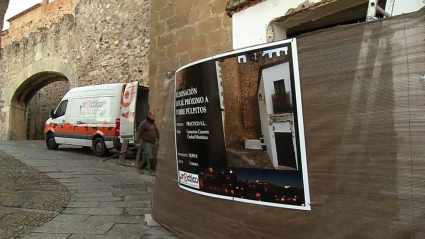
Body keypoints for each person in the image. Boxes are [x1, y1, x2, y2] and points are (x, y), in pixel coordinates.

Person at [136, 110, 159, 176]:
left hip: (153, 142)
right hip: (146, 142)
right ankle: (152, 171)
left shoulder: (153, 124)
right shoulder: (144, 123)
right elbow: (139, 133)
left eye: (154, 116)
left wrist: (159, 138)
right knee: (150, 156)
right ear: (149, 115)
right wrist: (138, 142)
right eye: (152, 116)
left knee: (150, 157)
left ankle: (140, 167)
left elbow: (156, 133)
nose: (154, 117)